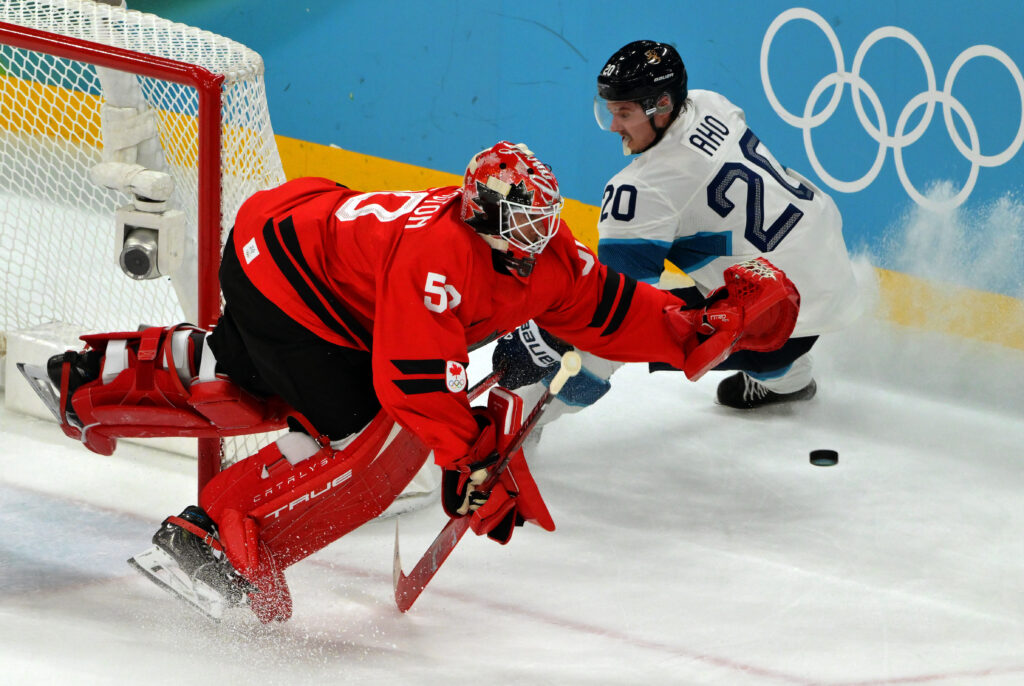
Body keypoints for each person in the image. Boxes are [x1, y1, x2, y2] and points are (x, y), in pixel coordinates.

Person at [38, 141, 798, 622]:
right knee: (367, 434)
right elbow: (411, 385)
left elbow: (609, 310)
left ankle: (88, 384)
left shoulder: (543, 253)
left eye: (544, 224)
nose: (537, 243)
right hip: (286, 280)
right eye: (522, 229)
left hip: (296, 242)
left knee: (256, 382)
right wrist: (470, 459)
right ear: (482, 218)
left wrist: (698, 330)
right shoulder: (441, 255)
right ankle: (208, 538)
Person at [496, 40, 860, 417]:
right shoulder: (709, 103)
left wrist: (547, 336)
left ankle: (516, 428)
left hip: (774, 320)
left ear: (664, 106)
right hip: (825, 262)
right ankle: (788, 378)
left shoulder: (642, 188)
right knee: (708, 288)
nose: (614, 127)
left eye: (625, 113)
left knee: (597, 342)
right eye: (609, 112)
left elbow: (614, 307)